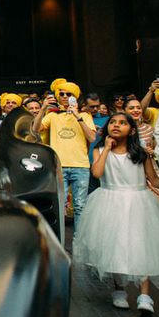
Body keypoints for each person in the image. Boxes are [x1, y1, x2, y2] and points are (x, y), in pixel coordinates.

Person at [73, 112, 159, 313]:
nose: (116, 125)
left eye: (122, 123)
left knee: (142, 244)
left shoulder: (140, 153)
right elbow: (97, 173)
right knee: (115, 244)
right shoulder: (100, 150)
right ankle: (119, 289)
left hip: (138, 201)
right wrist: (106, 149)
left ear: (131, 130)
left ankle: (144, 295)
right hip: (110, 200)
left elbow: (154, 180)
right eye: (113, 122)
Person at [33, 80, 96, 233]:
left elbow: (92, 138)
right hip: (58, 166)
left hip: (80, 166)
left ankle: (78, 243)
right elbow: (35, 130)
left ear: (75, 97)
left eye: (69, 94)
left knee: (80, 206)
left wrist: (77, 116)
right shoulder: (53, 116)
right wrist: (42, 109)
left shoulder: (84, 115)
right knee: (59, 207)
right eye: (62, 94)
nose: (65, 97)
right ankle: (59, 242)